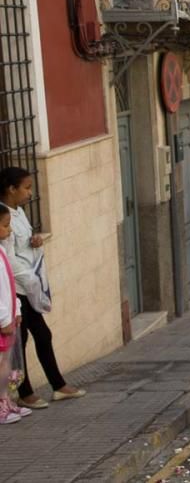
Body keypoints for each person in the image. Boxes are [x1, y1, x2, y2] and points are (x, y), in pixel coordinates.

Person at [0, 167, 85, 409]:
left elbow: (23, 246)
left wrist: (35, 242)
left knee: (42, 335)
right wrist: (30, 278)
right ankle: (25, 392)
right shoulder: (3, 215)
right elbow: (8, 255)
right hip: (18, 287)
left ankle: (58, 385)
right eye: (26, 188)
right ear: (11, 188)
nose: (29, 193)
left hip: (29, 286)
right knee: (23, 339)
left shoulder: (18, 212)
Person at [0, 203, 29, 425]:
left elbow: (10, 284)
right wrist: (4, 318)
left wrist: (17, 308)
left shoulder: (1, 250)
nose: (9, 230)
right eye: (5, 226)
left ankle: (8, 400)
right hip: (3, 322)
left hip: (9, 318)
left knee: (8, 364)